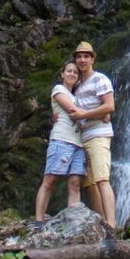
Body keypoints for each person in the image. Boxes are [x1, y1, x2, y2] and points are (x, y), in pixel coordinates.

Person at [34, 60, 89, 221]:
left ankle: (75, 221)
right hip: (61, 140)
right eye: (69, 71)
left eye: (75, 72)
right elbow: (72, 110)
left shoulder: (77, 96)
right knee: (50, 180)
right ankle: (38, 220)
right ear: (62, 74)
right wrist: (100, 114)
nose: (72, 74)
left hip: (78, 144)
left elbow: (79, 113)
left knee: (74, 183)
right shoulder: (58, 89)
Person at [71, 41, 116, 228]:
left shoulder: (100, 79)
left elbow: (109, 106)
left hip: (98, 135)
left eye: (86, 56)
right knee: (89, 184)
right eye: (79, 56)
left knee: (102, 179)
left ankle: (111, 225)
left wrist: (85, 115)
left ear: (92, 59)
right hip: (82, 138)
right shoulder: (77, 86)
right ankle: (101, 224)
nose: (82, 60)